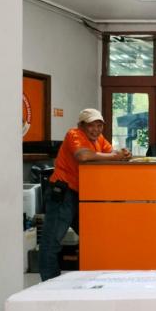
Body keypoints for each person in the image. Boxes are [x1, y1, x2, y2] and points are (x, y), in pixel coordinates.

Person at [39, 108, 131, 280]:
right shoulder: (74, 134)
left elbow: (110, 153)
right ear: (81, 125)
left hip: (81, 196)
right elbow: (83, 156)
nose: (96, 129)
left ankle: (93, 277)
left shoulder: (99, 139)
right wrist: (115, 156)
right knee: (52, 243)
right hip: (63, 193)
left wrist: (122, 154)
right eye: (91, 125)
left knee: (93, 236)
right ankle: (49, 286)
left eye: (99, 125)